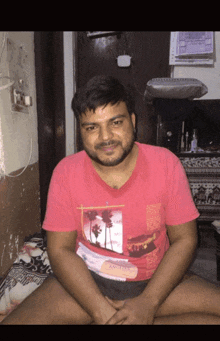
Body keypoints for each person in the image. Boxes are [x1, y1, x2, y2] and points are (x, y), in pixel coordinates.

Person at [2, 75, 220, 325]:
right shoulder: (66, 172)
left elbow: (184, 239)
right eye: (91, 127)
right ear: (81, 130)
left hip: (155, 281)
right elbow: (60, 250)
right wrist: (100, 312)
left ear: (133, 121)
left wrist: (148, 303)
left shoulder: (166, 164)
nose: (105, 137)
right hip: (88, 283)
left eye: (115, 122)